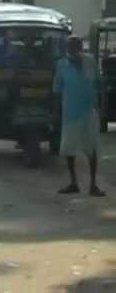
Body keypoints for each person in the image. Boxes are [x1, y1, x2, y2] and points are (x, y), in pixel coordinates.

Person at [53, 36, 106, 197]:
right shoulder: (62, 65)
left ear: (81, 47)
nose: (74, 50)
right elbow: (57, 90)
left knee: (92, 148)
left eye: (77, 46)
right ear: (67, 49)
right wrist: (55, 113)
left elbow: (99, 83)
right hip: (70, 113)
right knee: (69, 149)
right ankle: (73, 183)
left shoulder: (90, 61)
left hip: (89, 111)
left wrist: (101, 108)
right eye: (71, 47)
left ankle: (93, 185)